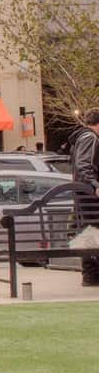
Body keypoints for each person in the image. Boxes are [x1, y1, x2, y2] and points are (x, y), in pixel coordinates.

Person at [70, 108, 99, 286]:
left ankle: (90, 275)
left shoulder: (82, 137)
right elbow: (83, 164)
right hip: (88, 194)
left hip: (83, 193)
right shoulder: (90, 138)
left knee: (90, 231)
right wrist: (95, 185)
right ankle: (91, 274)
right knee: (93, 230)